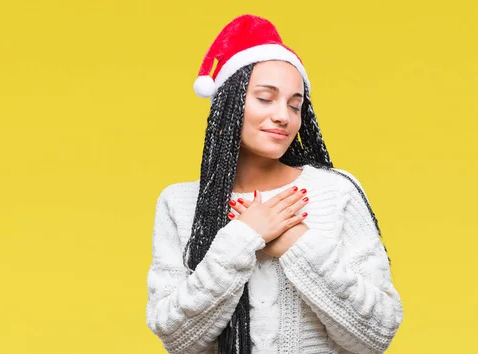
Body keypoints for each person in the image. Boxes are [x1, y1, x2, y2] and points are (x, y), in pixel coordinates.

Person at [145, 14, 404, 354]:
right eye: (266, 98)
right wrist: (242, 239)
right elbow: (176, 338)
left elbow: (376, 334)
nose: (284, 115)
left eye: (295, 105)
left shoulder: (337, 192)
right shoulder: (179, 203)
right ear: (228, 105)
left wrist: (296, 244)